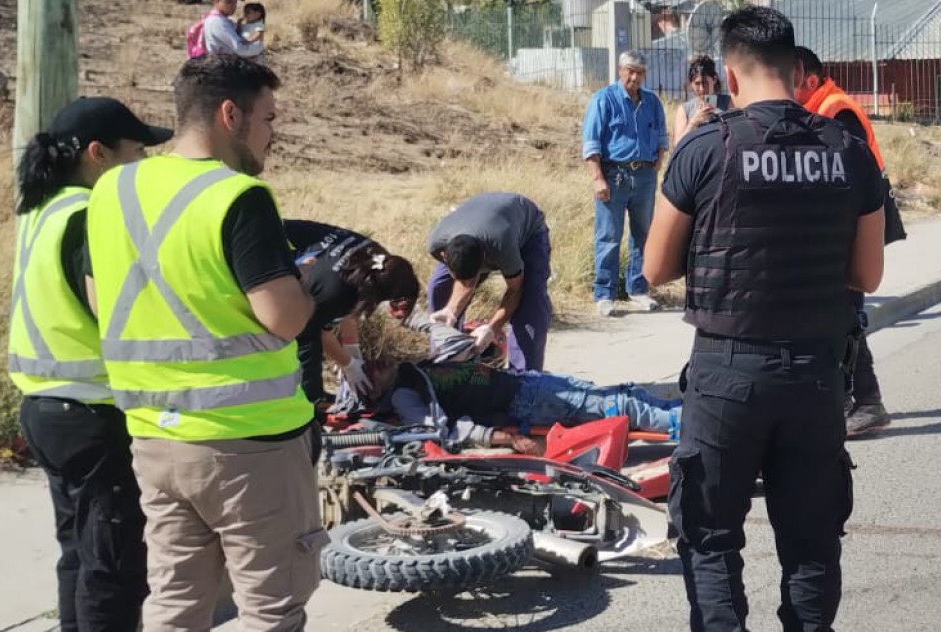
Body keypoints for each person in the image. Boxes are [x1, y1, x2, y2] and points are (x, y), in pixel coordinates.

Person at [87, 55, 391, 632]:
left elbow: (100, 295)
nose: (273, 133)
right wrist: (326, 291)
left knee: (176, 605)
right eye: (268, 118)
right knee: (271, 608)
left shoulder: (112, 189)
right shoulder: (239, 197)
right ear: (229, 116)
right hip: (250, 442)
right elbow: (285, 319)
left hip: (154, 438)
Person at [643, 6, 886, 632]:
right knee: (811, 548)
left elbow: (653, 269)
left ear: (734, 70)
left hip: (727, 375)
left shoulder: (705, 148)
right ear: (797, 69)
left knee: (711, 540)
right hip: (816, 374)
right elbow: (868, 274)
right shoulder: (848, 150)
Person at [8, 96, 173, 632]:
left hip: (47, 408)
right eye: (134, 152)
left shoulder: (42, 211)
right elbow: (116, 314)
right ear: (97, 154)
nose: (140, 164)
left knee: (80, 554)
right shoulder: (89, 215)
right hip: (91, 413)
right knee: (113, 559)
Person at [793, 46, 891, 437]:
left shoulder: (835, 108)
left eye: (794, 82)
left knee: (845, 315)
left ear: (810, 79)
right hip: (843, 225)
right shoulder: (820, 107)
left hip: (850, 226)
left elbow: (848, 173)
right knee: (839, 314)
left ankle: (867, 402)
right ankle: (850, 400)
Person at [349, 357, 681, 449]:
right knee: (621, 405)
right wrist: (505, 438)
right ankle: (697, 423)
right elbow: (438, 430)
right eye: (368, 373)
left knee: (624, 394)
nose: (373, 364)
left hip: (526, 382)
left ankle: (693, 413)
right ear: (372, 395)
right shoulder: (405, 396)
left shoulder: (412, 371)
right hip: (525, 400)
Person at [283, 220, 421, 409]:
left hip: (283, 233)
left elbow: (350, 307)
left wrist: (352, 349)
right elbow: (319, 331)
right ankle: (311, 406)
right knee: (306, 342)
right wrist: (348, 365)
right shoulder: (336, 292)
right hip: (266, 246)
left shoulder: (379, 261)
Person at [423, 192, 553, 371]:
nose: (469, 282)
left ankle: (524, 379)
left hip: (527, 229)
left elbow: (515, 290)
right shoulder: (436, 244)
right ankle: (448, 361)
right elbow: (466, 281)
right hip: (476, 225)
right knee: (439, 289)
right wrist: (451, 310)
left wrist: (491, 328)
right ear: (444, 255)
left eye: (474, 275)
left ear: (484, 257)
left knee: (531, 303)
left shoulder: (502, 247)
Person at [583, 49, 668, 316]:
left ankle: (638, 289)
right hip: (614, 175)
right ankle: (605, 294)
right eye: (630, 70)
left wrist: (658, 162)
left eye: (640, 72)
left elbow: (662, 136)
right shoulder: (603, 99)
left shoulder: (652, 102)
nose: (634, 77)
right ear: (620, 71)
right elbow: (592, 142)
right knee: (608, 236)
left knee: (643, 235)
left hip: (644, 176)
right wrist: (598, 177)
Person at [189, 0, 263, 60]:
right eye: (228, 2)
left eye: (235, 2)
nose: (233, 5)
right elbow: (240, 49)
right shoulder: (217, 22)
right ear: (216, 1)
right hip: (224, 68)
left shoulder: (222, 20)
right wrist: (259, 48)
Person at [671, 54, 730, 142]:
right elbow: (678, 145)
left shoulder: (729, 103)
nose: (701, 89)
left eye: (705, 83)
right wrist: (694, 123)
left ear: (714, 79)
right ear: (691, 83)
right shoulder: (685, 110)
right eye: (697, 84)